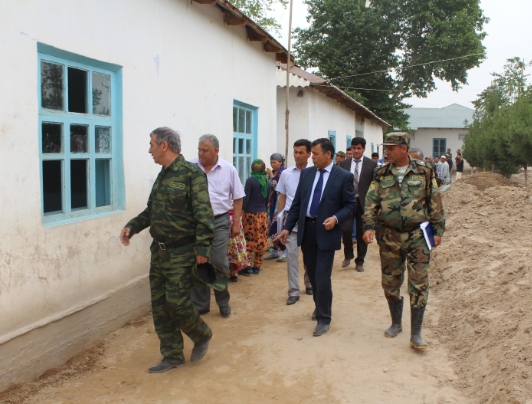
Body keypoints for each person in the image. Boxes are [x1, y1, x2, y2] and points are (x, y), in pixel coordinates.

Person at [119, 127, 215, 373]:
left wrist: (203, 248)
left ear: (164, 145)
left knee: (177, 303)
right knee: (160, 306)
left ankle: (202, 334)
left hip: (183, 252)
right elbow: (151, 211)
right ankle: (172, 355)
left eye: (151, 144)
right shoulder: (162, 175)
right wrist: (132, 226)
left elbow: (204, 214)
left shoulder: (191, 174)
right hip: (159, 252)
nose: (149, 149)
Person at [362, 132, 445, 350]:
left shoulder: (424, 172)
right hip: (389, 236)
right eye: (385, 148)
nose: (386, 152)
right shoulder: (380, 173)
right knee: (390, 283)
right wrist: (369, 226)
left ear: (404, 149)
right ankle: (396, 322)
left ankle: (416, 333)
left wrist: (438, 230)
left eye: (390, 148)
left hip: (418, 235)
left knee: (419, 282)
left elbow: (434, 202)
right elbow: (371, 201)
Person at [276, 138, 356, 337]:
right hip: (307, 231)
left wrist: (336, 219)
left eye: (316, 154)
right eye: (311, 154)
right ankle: (318, 305)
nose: (312, 157)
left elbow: (351, 205)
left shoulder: (343, 176)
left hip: (327, 231)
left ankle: (323, 317)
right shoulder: (308, 174)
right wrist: (287, 227)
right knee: (312, 274)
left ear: (328, 154)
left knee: (322, 276)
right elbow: (297, 205)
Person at [190, 134, 245, 318]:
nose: (200, 153)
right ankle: (201, 304)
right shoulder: (190, 168)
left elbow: (238, 197)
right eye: (199, 149)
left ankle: (223, 302)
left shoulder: (228, 169)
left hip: (219, 221)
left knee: (219, 261)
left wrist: (236, 223)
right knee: (198, 261)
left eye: (204, 150)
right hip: (195, 223)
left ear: (216, 151)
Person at [275, 139, 313, 305]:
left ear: (309, 154)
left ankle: (309, 282)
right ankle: (293, 291)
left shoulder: (314, 173)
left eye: (301, 152)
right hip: (291, 219)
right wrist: (279, 217)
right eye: (295, 152)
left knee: (310, 254)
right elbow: (282, 196)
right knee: (291, 255)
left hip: (310, 219)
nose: (297, 156)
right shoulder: (286, 174)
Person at [339, 137, 377, 272]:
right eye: (354, 148)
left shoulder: (371, 164)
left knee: (363, 233)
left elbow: (375, 185)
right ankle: (348, 254)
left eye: (359, 148)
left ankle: (360, 260)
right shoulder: (343, 164)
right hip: (348, 203)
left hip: (364, 204)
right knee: (346, 229)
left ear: (364, 149)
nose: (356, 151)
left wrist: (375, 206)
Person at [242, 160, 270, 275]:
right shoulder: (266, 181)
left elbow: (246, 199)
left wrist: (241, 212)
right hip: (262, 214)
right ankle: (257, 266)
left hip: (250, 215)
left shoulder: (250, 181)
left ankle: (247, 266)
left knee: (248, 239)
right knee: (261, 239)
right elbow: (267, 200)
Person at [265, 153, 286, 261]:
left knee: (279, 226)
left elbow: (276, 186)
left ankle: (285, 250)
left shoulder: (283, 172)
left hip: (280, 202)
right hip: (272, 202)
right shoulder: (274, 172)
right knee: (272, 227)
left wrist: (271, 176)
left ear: (280, 163)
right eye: (271, 162)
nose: (272, 164)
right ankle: (276, 251)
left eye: (275, 162)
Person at [227, 203, 250, 282]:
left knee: (235, 247)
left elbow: (240, 206)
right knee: (225, 247)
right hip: (222, 220)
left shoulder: (236, 192)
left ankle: (234, 272)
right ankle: (226, 271)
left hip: (235, 221)